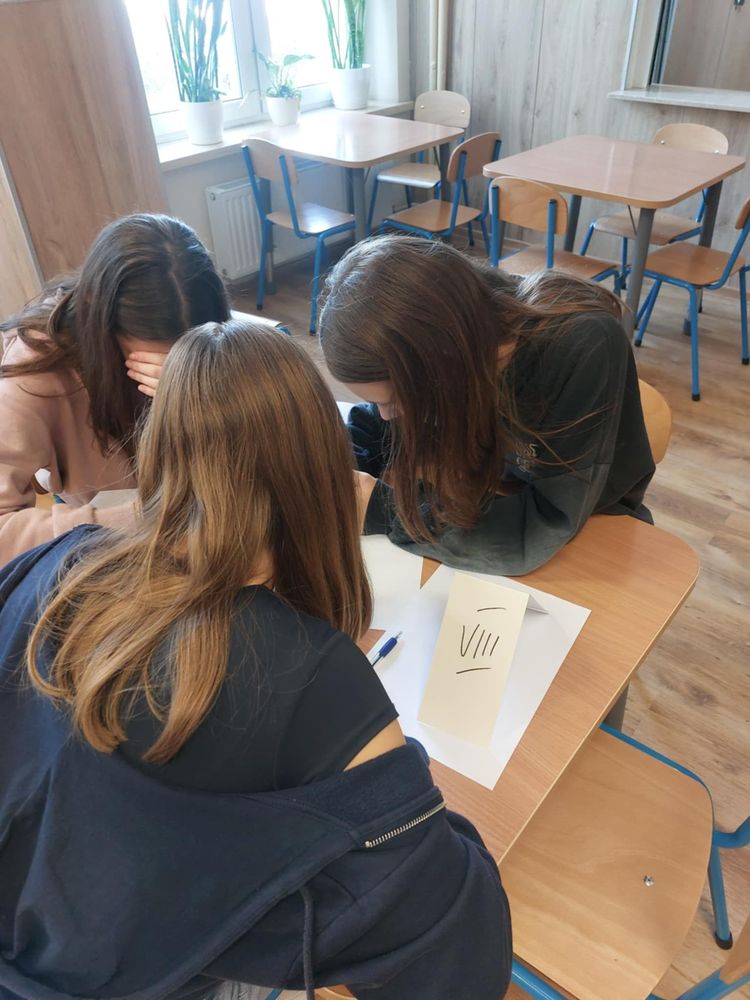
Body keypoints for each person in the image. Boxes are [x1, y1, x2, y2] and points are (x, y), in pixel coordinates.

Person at [0, 319, 511, 1000]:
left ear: (160, 450)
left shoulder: (57, 563)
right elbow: (460, 964)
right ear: (324, 474)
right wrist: (403, 776)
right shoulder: (308, 675)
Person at [320, 235, 655, 576]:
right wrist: (331, 475)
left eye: (392, 400)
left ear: (444, 360)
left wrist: (383, 511)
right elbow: (372, 426)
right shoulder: (454, 340)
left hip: (594, 528)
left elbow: (542, 525)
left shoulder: (581, 347)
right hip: (497, 488)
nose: (386, 414)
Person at [0, 212, 231, 566]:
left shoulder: (215, 333)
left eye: (186, 354)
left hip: (198, 518)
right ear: (97, 314)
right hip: (110, 532)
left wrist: (202, 399)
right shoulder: (34, 373)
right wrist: (139, 522)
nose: (167, 370)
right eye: (147, 359)